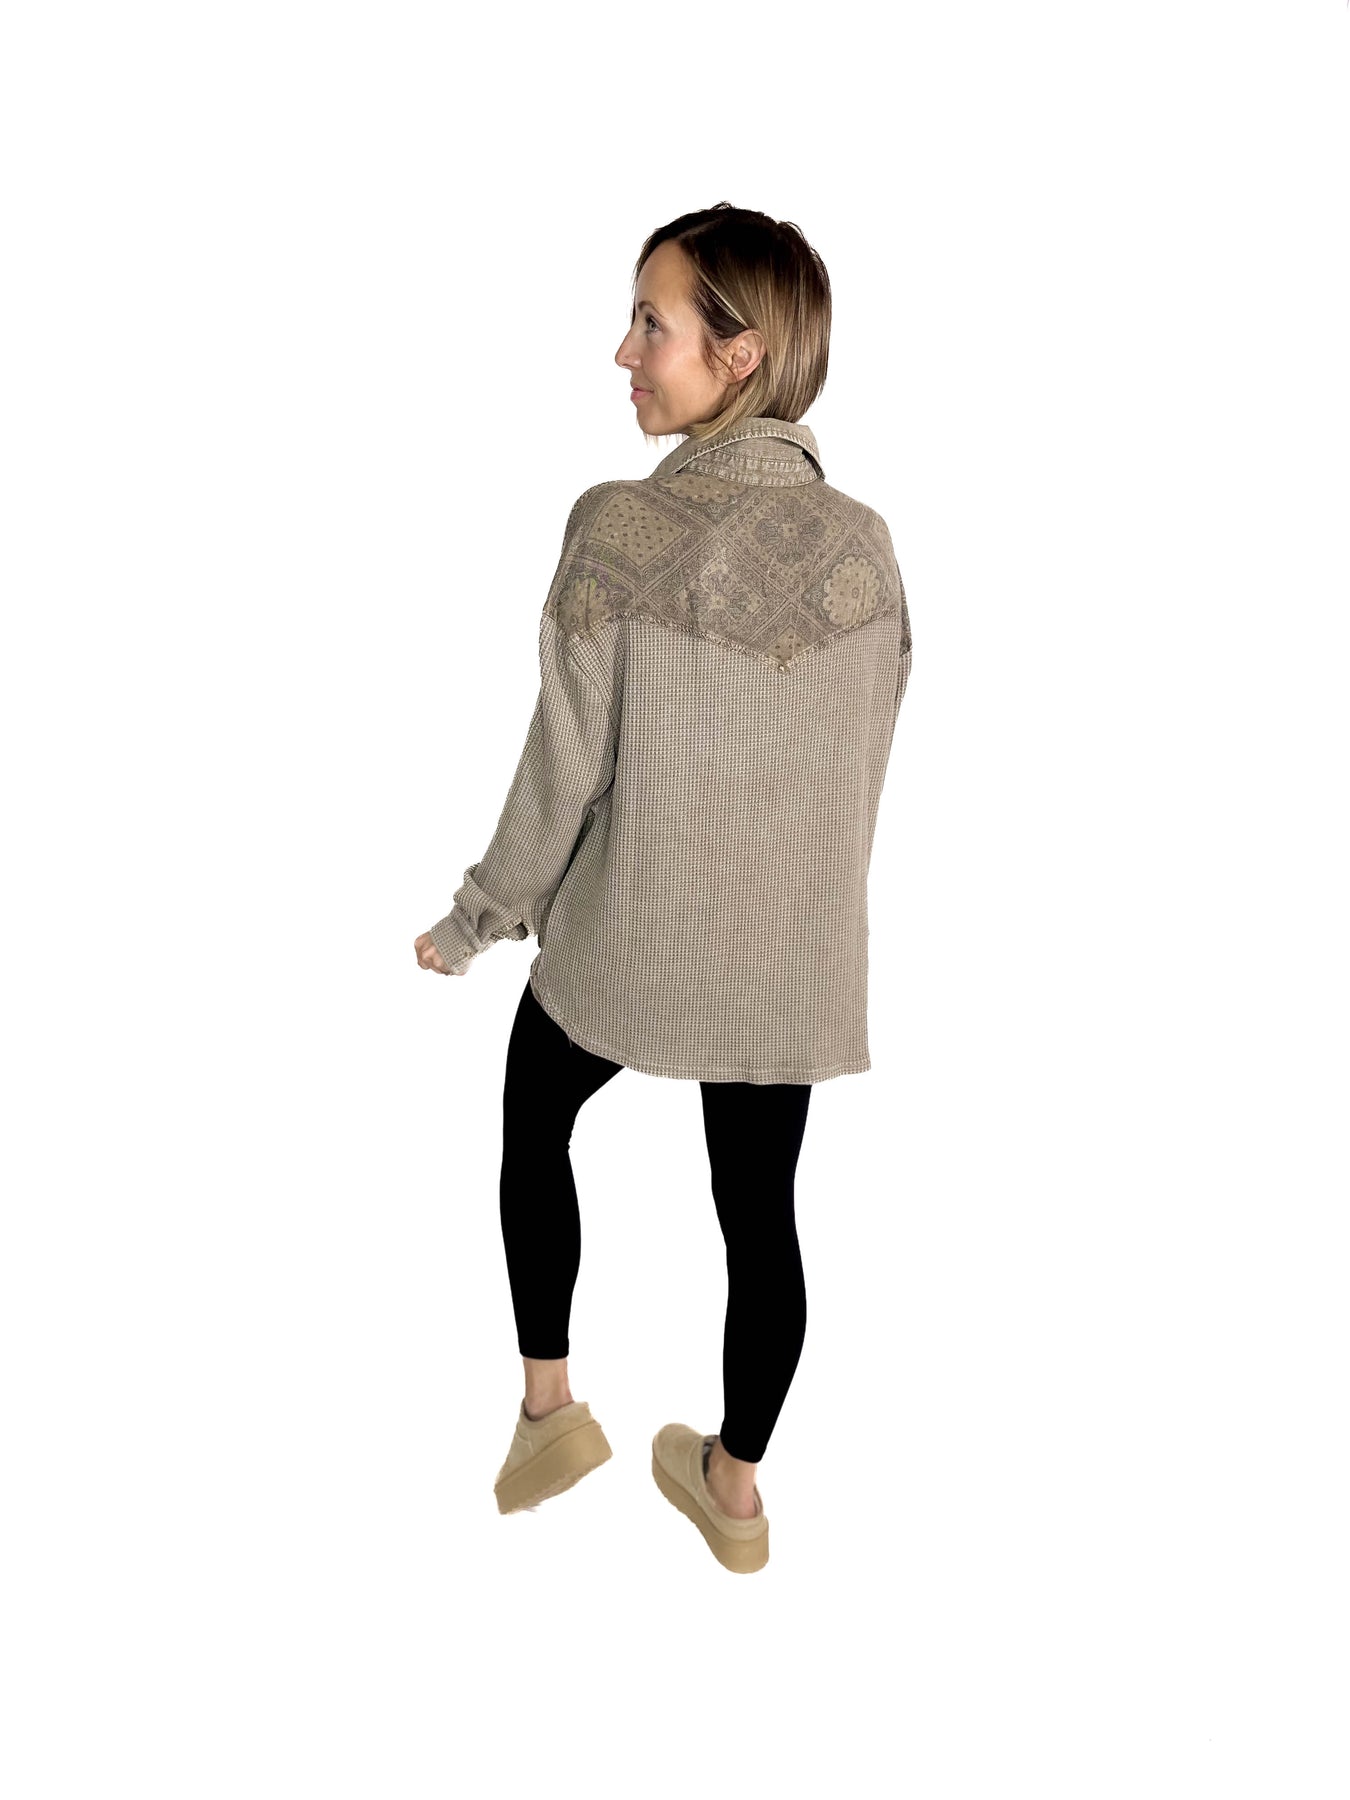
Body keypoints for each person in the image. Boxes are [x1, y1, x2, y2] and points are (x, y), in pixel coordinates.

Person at [414, 204, 912, 1572]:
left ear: (740, 357)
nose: (623, 352)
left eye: (652, 322)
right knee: (762, 1217)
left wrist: (476, 918)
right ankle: (734, 1493)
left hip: (631, 946)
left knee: (534, 1117)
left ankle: (548, 1415)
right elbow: (861, 762)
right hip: (788, 965)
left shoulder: (619, 528)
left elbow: (562, 770)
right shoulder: (870, 547)